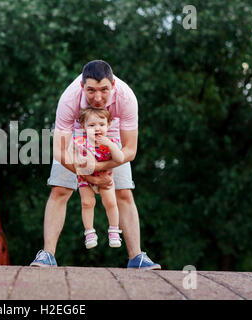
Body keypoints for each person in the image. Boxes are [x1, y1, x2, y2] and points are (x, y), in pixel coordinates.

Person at [30, 60, 161, 270]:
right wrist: (87, 175)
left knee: (124, 193)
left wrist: (99, 170)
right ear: (82, 86)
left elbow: (130, 150)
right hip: (76, 136)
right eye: (91, 90)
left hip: (111, 138)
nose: (98, 97)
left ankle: (136, 257)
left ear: (113, 86)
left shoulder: (126, 98)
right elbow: (59, 150)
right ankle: (47, 255)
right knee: (60, 189)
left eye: (104, 90)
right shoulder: (69, 98)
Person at [73, 107, 123, 249]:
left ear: (108, 125)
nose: (97, 129)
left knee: (111, 202)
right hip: (86, 179)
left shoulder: (110, 142)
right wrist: (91, 176)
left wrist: (110, 145)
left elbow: (120, 159)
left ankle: (114, 230)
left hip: (105, 178)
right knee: (87, 203)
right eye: (92, 125)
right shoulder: (79, 142)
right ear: (83, 127)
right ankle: (89, 232)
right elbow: (82, 166)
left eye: (101, 124)